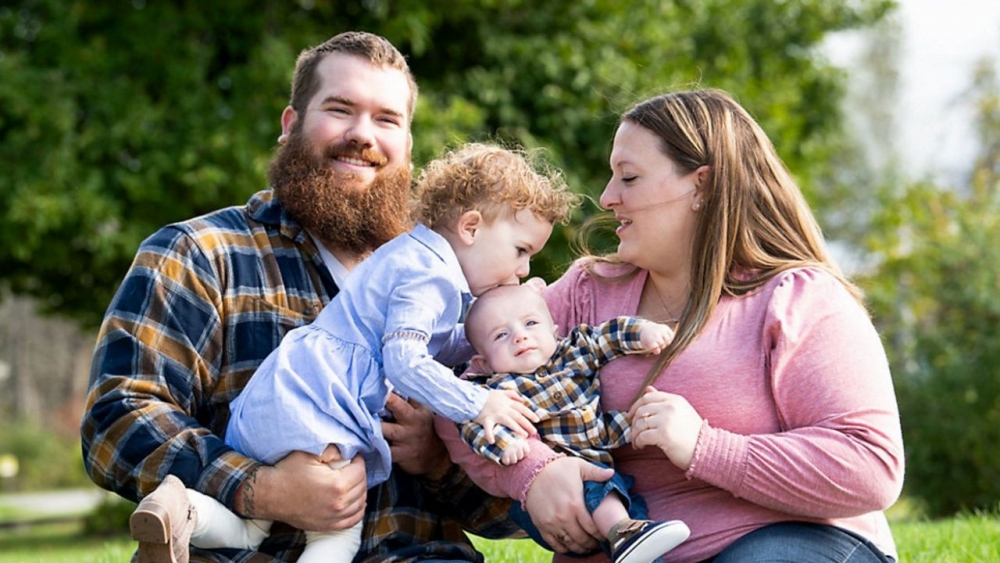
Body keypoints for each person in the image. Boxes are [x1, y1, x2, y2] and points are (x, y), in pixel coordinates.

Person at [81, 31, 522, 563]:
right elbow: (117, 419)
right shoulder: (202, 254)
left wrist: (439, 456)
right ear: (290, 126)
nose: (363, 135)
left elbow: (511, 507)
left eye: (387, 119)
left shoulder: (458, 286)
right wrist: (259, 488)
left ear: (407, 145)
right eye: (339, 109)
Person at [439, 88, 905, 563]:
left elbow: (870, 465)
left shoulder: (798, 298)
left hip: (793, 540)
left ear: (700, 186)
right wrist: (534, 473)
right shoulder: (585, 293)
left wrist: (706, 447)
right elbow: (459, 396)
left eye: (630, 178)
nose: (607, 197)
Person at [130, 142, 577, 563]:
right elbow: (405, 362)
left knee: (250, 530)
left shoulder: (408, 252)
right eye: (522, 251)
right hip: (321, 405)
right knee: (338, 530)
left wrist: (488, 340)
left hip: (286, 394)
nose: (523, 271)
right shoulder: (432, 278)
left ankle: (182, 509)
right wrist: (478, 403)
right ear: (471, 227)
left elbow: (437, 340)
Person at [456, 283, 690, 563]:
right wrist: (508, 445)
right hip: (549, 494)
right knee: (603, 492)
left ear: (554, 332)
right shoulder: (496, 391)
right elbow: (474, 424)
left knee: (628, 505)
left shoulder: (574, 352)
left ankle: (632, 537)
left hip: (599, 459)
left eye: (530, 323)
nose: (520, 336)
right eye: (501, 335)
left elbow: (606, 336)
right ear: (482, 363)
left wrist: (641, 333)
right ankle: (623, 531)